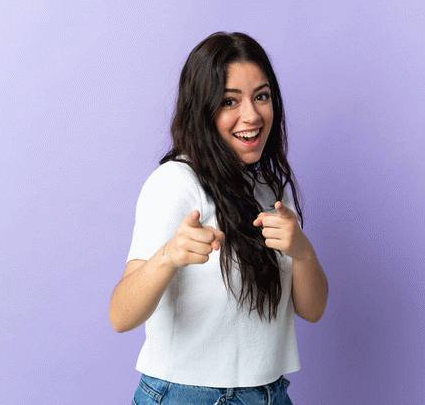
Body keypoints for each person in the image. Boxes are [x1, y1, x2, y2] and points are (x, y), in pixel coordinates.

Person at [109, 31, 328, 405]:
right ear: (202, 110)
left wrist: (302, 251)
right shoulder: (175, 183)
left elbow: (313, 310)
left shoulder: (272, 189)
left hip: (270, 393)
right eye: (230, 101)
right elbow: (120, 316)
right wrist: (169, 255)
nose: (252, 115)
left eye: (261, 96)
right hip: (187, 396)